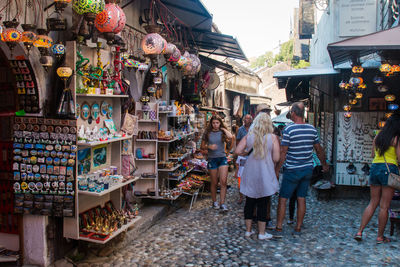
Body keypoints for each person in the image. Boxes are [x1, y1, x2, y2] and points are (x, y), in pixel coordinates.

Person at [274, 102, 329, 237]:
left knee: (283, 198)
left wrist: (277, 169)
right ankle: (298, 227)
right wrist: (324, 164)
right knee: (301, 198)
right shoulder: (312, 129)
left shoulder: (288, 130)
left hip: (292, 170)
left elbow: (283, 152)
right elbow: (319, 149)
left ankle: (279, 228)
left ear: (293, 113)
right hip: (307, 169)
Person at [354, 113, 400, 243]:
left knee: (372, 202)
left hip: (375, 168)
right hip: (389, 170)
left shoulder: (378, 136)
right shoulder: (396, 138)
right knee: (384, 206)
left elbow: (373, 154)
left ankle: (360, 231)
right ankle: (380, 237)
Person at [235, 113, 280, 240]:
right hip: (265, 173)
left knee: (249, 201)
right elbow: (276, 158)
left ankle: (248, 231)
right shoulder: (273, 138)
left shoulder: (249, 136)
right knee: (263, 202)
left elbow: (237, 151)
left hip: (250, 172)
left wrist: (245, 153)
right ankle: (261, 233)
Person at [201, 115, 233, 211]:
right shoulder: (207, 133)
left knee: (223, 182)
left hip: (222, 158)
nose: (215, 125)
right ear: (211, 123)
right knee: (214, 182)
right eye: (214, 123)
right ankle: (214, 201)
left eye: (217, 123)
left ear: (220, 123)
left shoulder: (223, 132)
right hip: (212, 159)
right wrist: (209, 147)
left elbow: (231, 137)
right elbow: (202, 146)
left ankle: (222, 203)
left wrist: (223, 129)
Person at [235, 114, 253, 204]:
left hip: (251, 155)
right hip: (242, 154)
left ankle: (249, 195)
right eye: (245, 118)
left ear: (251, 120)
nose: (247, 120)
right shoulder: (240, 130)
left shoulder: (254, 129)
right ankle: (241, 197)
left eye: (248, 119)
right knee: (240, 177)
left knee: (250, 176)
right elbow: (237, 141)